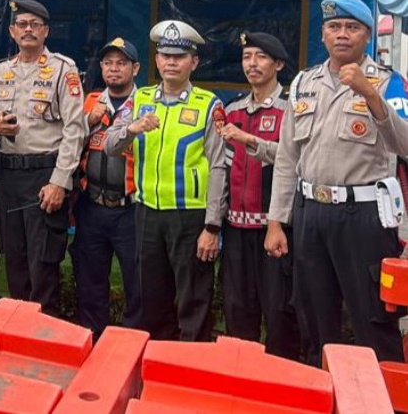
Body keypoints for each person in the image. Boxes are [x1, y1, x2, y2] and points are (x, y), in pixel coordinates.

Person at [266, 0, 408, 363]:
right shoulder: (304, 82)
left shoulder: (389, 82)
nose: (342, 34)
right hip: (311, 213)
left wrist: (369, 93)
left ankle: (382, 391)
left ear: (367, 35)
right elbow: (287, 156)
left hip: (363, 216)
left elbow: (405, 143)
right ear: (323, 35)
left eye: (352, 27)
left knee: (373, 318)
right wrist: (276, 221)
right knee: (313, 316)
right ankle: (322, 384)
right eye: (334, 27)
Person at [104, 19, 227, 342]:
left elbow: (219, 167)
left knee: (193, 299)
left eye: (180, 57)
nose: (172, 62)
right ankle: (158, 360)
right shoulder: (140, 100)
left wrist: (212, 226)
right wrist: (132, 128)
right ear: (157, 60)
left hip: (190, 215)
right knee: (151, 298)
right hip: (147, 213)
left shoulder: (208, 104)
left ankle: (190, 364)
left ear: (193, 62)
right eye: (166, 56)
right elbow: (109, 145)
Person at [0, 0, 86, 315]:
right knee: (15, 257)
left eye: (35, 25)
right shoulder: (3, 70)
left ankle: (44, 328)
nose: (28, 30)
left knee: (42, 262)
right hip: (10, 176)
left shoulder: (63, 70)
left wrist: (59, 182)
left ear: (46, 31)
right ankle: (17, 326)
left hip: (44, 176)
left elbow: (75, 129)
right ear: (12, 31)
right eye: (22, 24)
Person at [219, 31, 302, 360]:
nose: (252, 64)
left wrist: (251, 141)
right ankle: (241, 378)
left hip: (276, 229)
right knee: (237, 310)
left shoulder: (292, 108)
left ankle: (281, 380)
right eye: (246, 57)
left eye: (261, 57)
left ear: (278, 64)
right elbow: (221, 167)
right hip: (236, 228)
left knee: (280, 313)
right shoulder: (233, 109)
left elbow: (296, 161)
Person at [70, 36, 141, 338]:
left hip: (130, 209)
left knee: (137, 284)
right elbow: (68, 142)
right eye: (108, 63)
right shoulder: (89, 101)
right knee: (89, 283)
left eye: (121, 63)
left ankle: (130, 346)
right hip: (92, 206)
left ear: (135, 69)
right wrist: (88, 121)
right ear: (101, 67)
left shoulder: (146, 103)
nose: (114, 69)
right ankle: (92, 341)